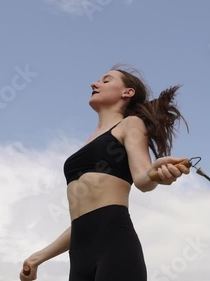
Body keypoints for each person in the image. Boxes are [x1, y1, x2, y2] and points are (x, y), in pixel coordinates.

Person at [20, 64, 190, 281]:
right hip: (79, 257)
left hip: (116, 247)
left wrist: (157, 173)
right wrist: (39, 257)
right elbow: (84, 219)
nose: (94, 83)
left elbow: (142, 179)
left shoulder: (130, 125)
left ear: (127, 93)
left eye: (106, 80)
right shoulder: (88, 141)